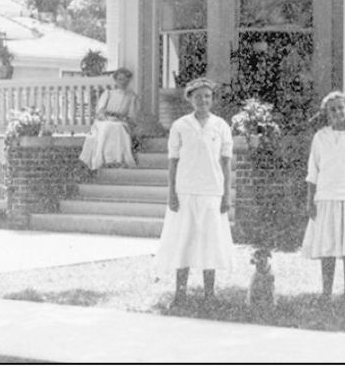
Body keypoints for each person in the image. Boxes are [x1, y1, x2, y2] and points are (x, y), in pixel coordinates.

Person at [154, 77, 236, 307]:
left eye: (207, 96)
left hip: (212, 191)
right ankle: (180, 292)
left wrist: (226, 194)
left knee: (210, 242)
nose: (203, 100)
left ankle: (209, 293)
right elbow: (173, 162)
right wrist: (172, 193)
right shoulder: (180, 126)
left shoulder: (221, 126)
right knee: (184, 240)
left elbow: (226, 163)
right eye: (198, 96)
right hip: (186, 191)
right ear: (189, 98)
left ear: (212, 99)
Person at [301, 90, 345, 303]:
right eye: (332, 109)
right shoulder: (320, 137)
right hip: (325, 197)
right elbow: (312, 172)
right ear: (327, 113)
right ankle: (326, 292)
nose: (336, 112)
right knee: (328, 248)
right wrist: (310, 201)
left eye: (340, 108)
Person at [78, 68, 137, 171]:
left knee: (116, 127)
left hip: (121, 122)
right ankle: (101, 159)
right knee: (106, 126)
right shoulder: (108, 93)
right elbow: (100, 111)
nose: (122, 82)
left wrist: (121, 118)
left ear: (128, 80)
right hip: (104, 121)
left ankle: (116, 159)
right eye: (120, 79)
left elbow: (131, 116)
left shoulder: (131, 97)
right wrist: (106, 118)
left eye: (125, 79)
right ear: (116, 80)